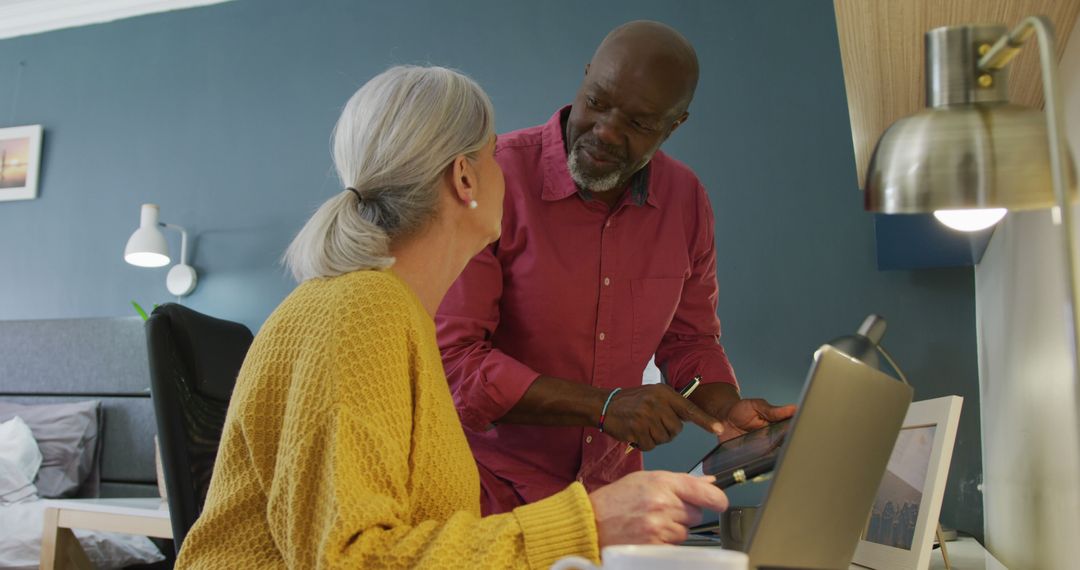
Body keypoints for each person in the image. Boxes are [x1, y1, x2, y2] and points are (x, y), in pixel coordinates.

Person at [175, 65, 729, 569]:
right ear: (465, 180)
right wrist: (587, 524)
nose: (507, 171)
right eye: (492, 157)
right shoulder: (358, 312)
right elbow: (351, 560)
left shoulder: (394, 313)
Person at [437, 21, 796, 515]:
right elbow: (454, 363)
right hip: (486, 499)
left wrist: (722, 408)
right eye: (598, 102)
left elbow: (689, 340)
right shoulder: (492, 179)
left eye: (639, 122)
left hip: (612, 503)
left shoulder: (686, 200)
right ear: (585, 78)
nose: (606, 131)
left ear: (674, 125)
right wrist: (602, 406)